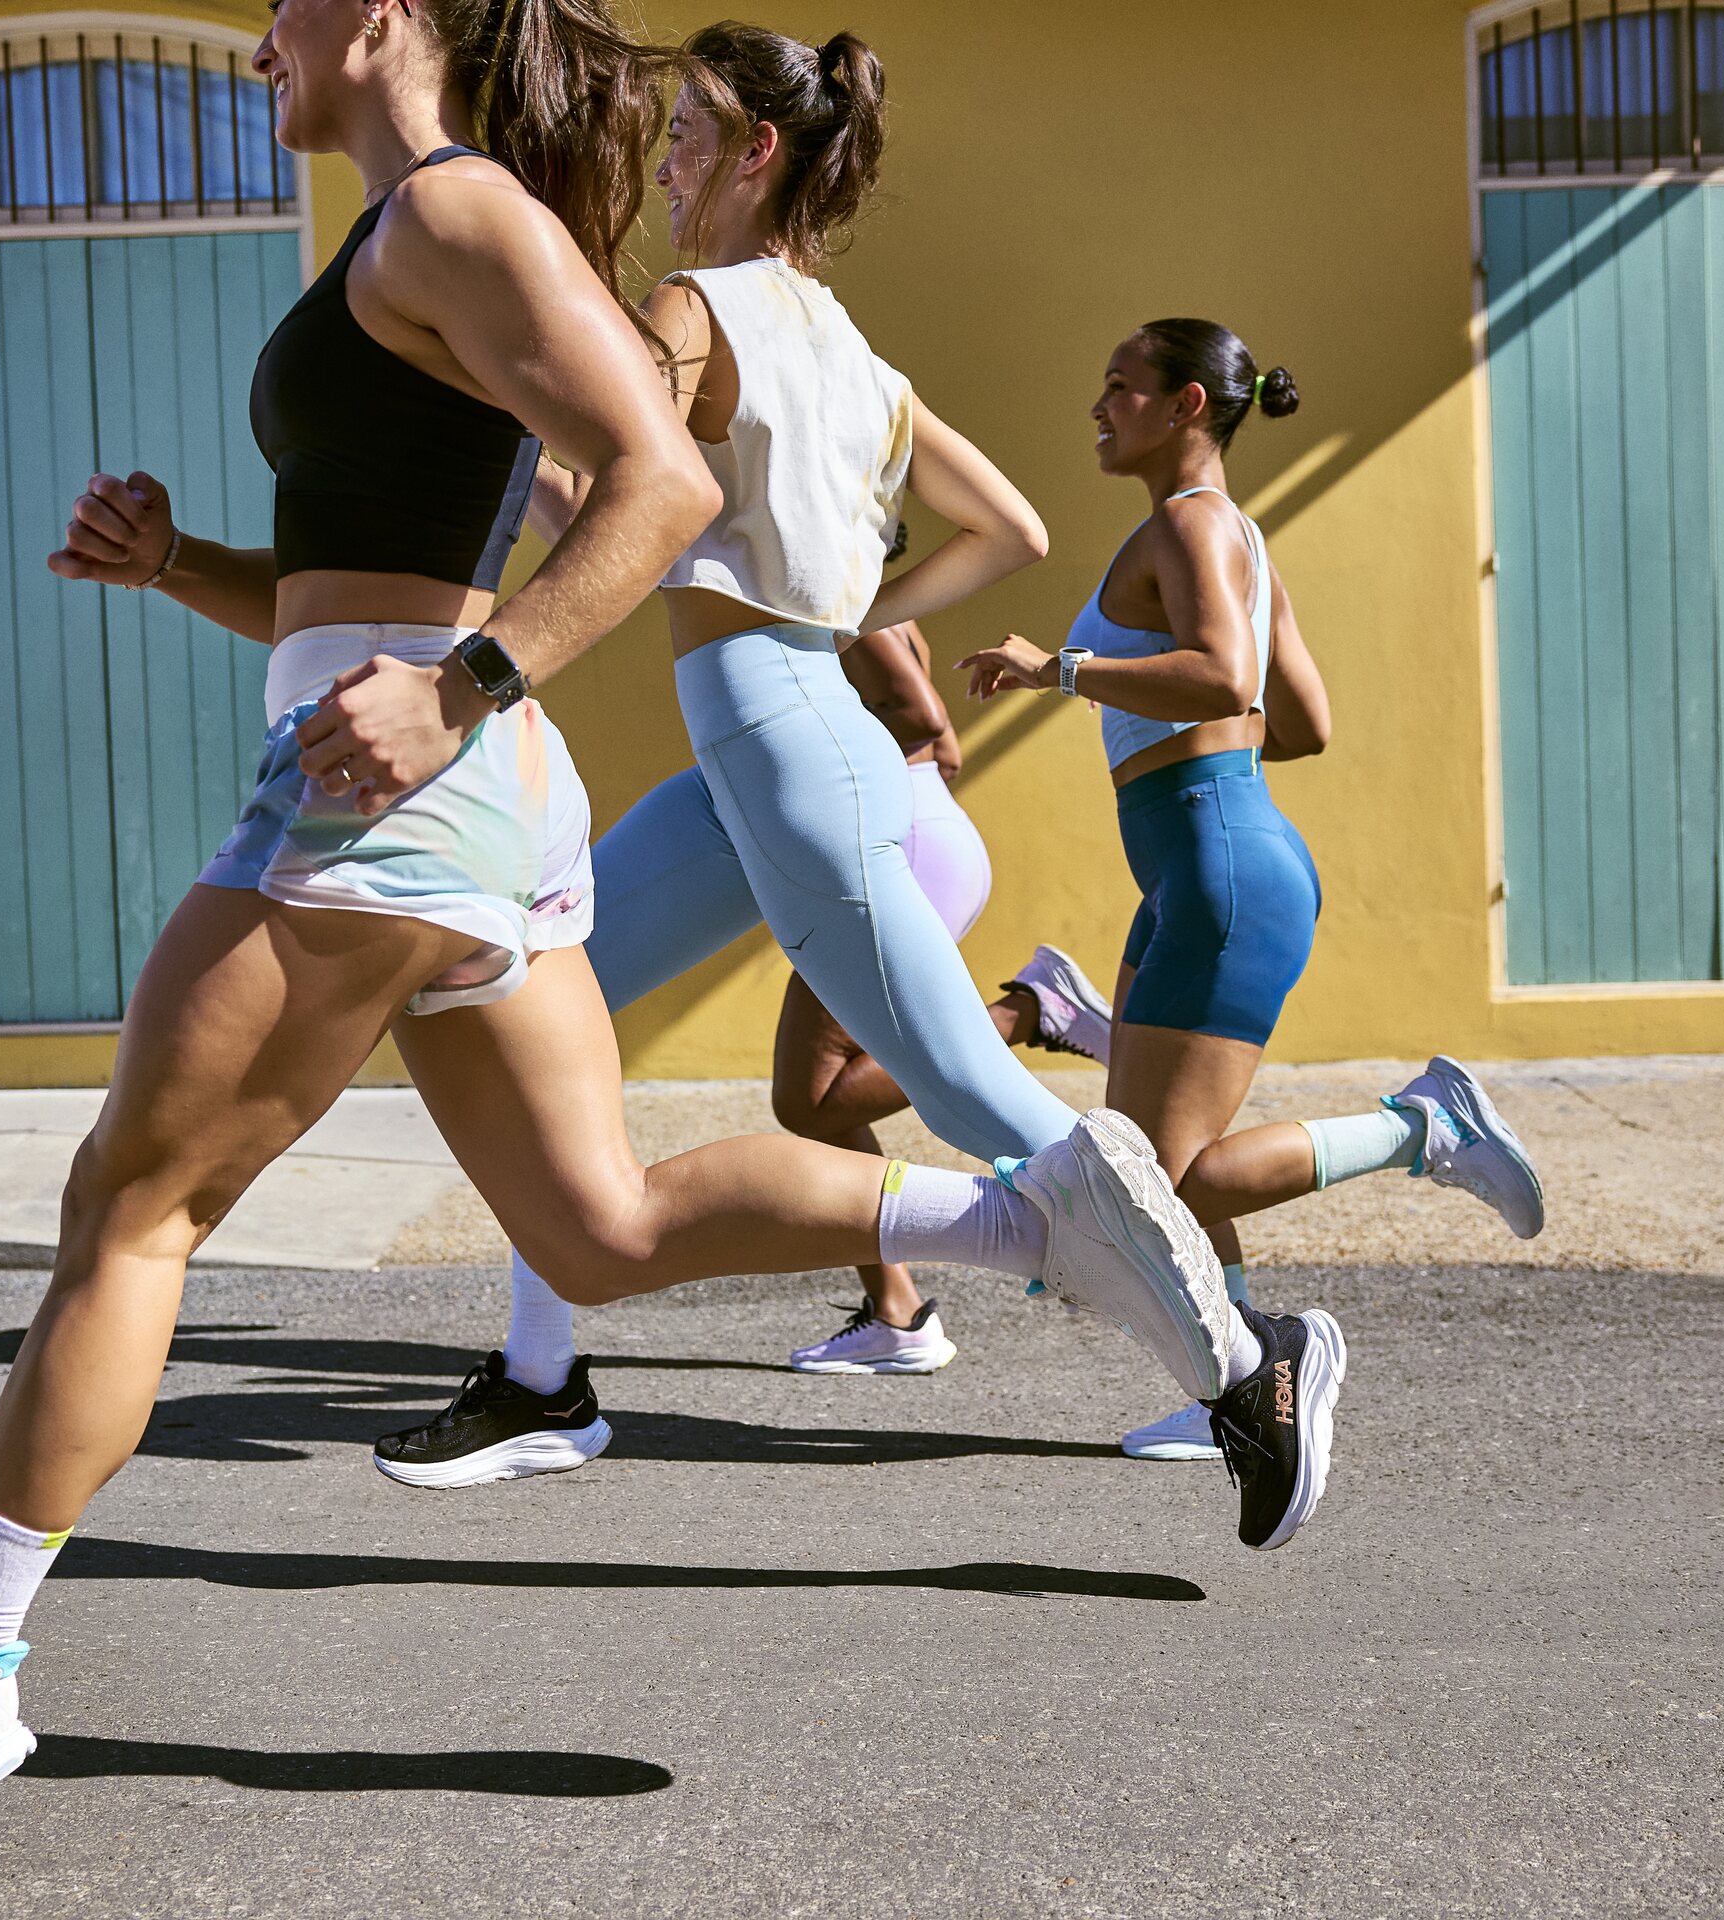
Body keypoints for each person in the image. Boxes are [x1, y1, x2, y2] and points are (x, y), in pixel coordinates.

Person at [0, 3, 1314, 1803]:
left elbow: (658, 483)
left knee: (132, 1211)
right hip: (461, 791)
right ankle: (1029, 1224)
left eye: (288, 3)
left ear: (387, 14)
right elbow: (369, 584)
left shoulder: (456, 212)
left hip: (403, 795)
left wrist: (466, 687)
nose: (261, 38)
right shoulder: (433, 228)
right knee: (600, 1228)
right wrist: (175, 567)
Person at [375, 23, 1344, 1496]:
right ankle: (540, 1379)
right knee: (542, 1010)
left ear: (759, 150)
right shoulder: (854, 354)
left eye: (690, 132)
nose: (669, 159)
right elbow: (1011, 528)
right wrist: (848, 611)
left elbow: (614, 482)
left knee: (977, 1097)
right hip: (770, 745)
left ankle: (1246, 1358)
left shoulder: (693, 308)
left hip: (786, 748)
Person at [957, 319, 1545, 1462]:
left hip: (1219, 868)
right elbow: (1304, 720)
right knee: (1142, 1158)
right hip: (1205, 860)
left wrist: (1057, 670)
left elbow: (1227, 677)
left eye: (1121, 386)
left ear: (1187, 404)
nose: (1099, 407)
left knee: (1169, 1176)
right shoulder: (1237, 538)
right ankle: (1232, 1374)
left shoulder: (1189, 524)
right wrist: (1204, 754)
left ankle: (1423, 1128)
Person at [774, 609, 987, 1374]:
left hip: (904, 845)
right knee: (814, 1100)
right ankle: (897, 1311)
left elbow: (919, 718)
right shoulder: (887, 612)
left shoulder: (849, 611)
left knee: (810, 1100)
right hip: (922, 831)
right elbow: (947, 750)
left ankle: (1027, 1012)